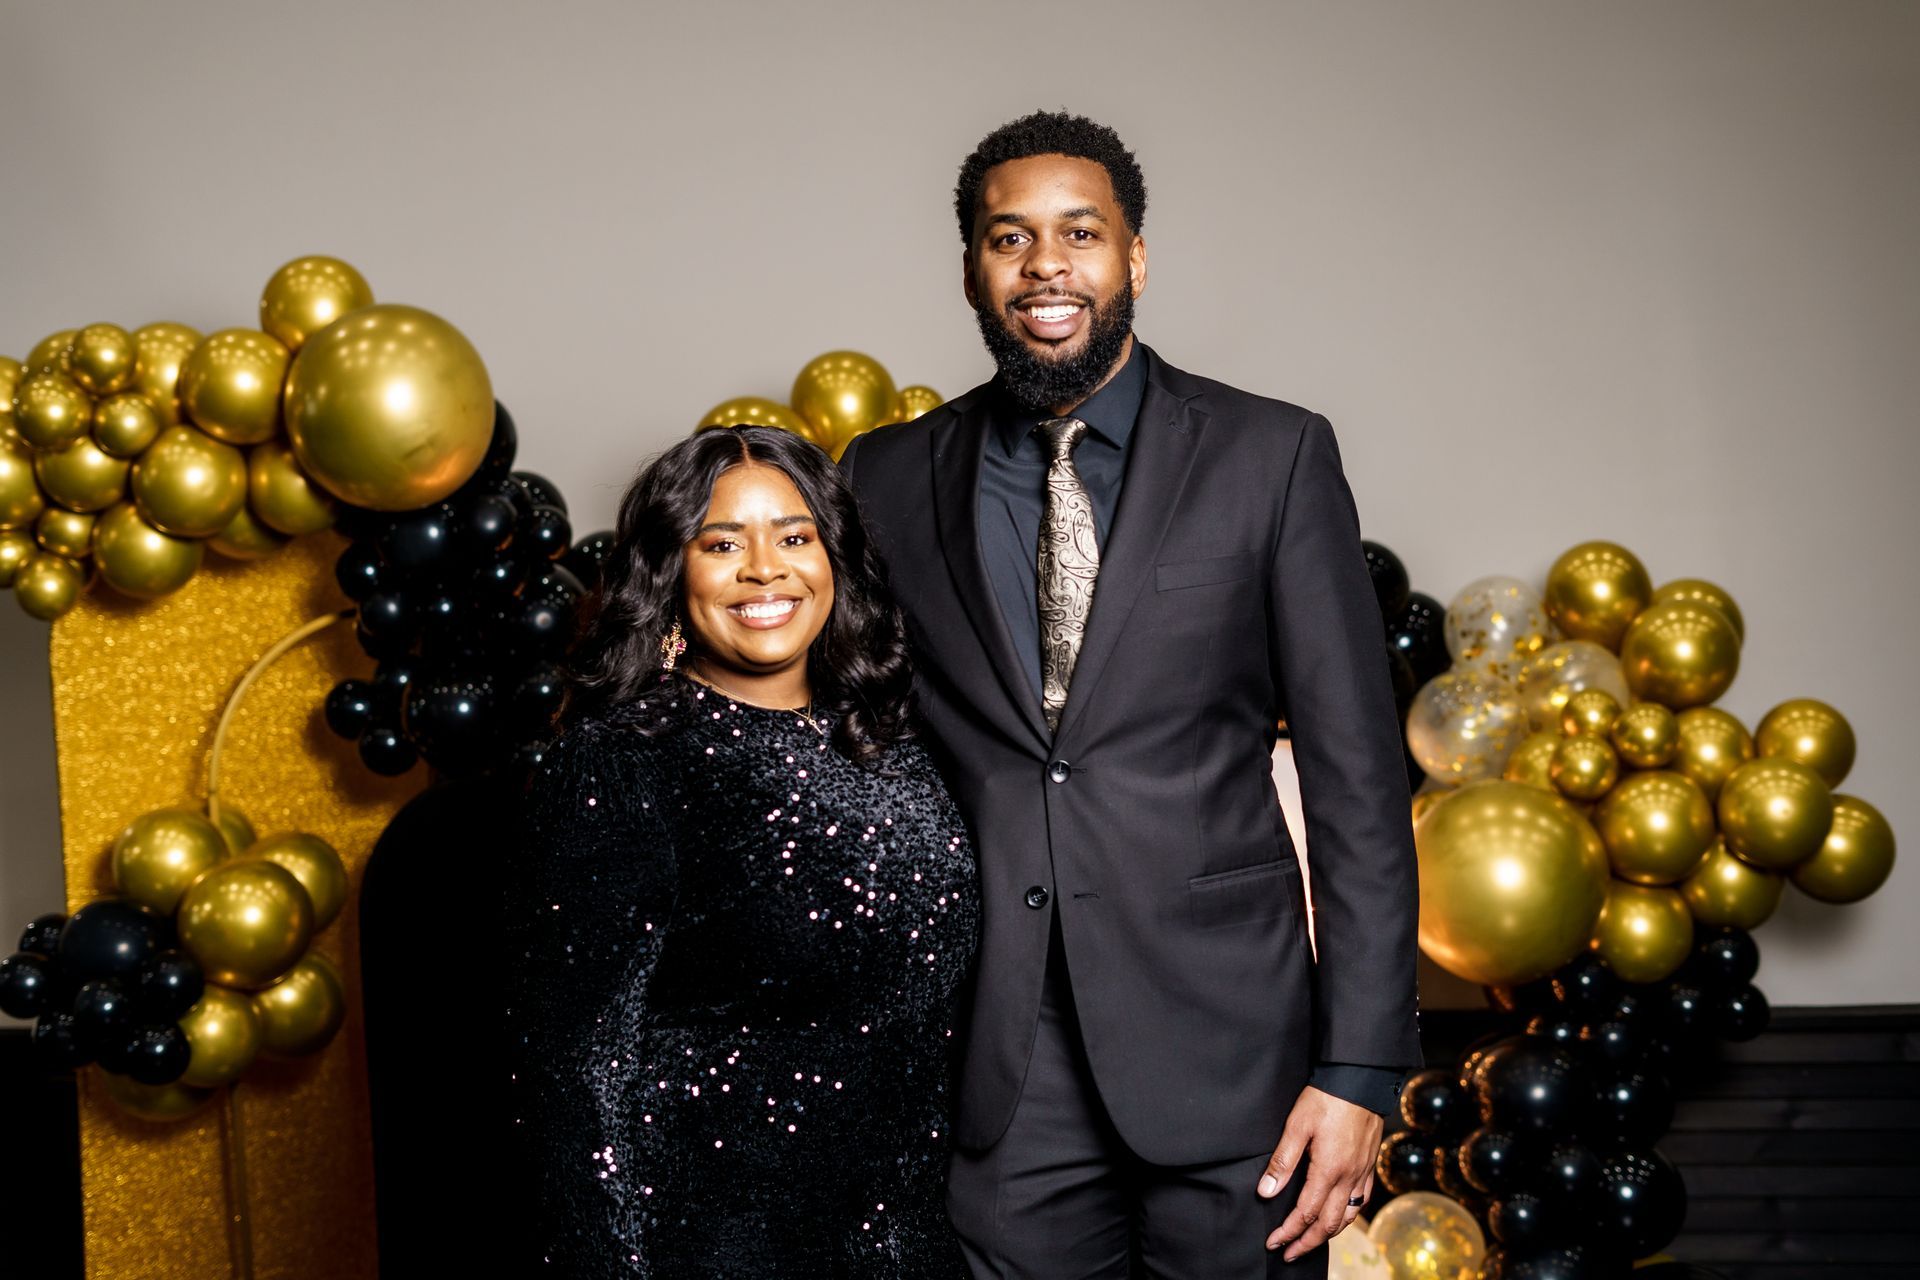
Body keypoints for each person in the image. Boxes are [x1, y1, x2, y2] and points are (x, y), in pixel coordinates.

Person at [839, 112, 1422, 1277]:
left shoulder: (1273, 454)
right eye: (1009, 238)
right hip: (1000, 1065)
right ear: (971, 268)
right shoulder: (888, 476)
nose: (1045, 264)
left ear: (1134, 258)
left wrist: (1359, 1070)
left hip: (1238, 1058)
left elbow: (1357, 777)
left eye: (1079, 233)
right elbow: (856, 740)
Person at [505, 426, 978, 1277]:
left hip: (904, 1236)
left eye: (795, 537)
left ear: (835, 558)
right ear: (669, 571)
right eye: (721, 543)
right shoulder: (626, 757)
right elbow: (574, 1068)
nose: (765, 569)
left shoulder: (890, 735)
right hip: (713, 1241)